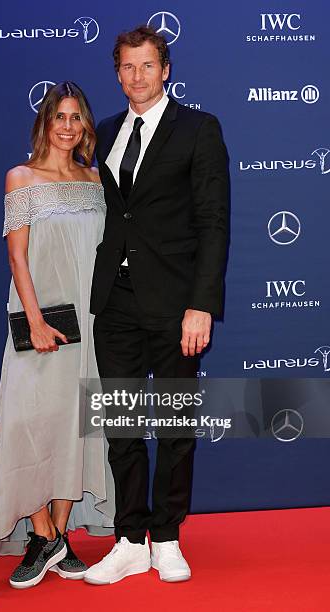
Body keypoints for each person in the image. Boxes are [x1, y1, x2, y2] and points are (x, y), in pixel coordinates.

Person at [84, 26, 229, 585]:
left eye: (147, 66)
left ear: (165, 69)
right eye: (127, 67)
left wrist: (201, 305)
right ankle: (128, 539)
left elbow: (213, 223)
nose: (136, 77)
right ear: (117, 72)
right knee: (120, 424)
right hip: (115, 303)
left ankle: (166, 536)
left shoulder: (198, 128)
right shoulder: (106, 131)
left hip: (175, 306)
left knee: (172, 425)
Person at [0, 82, 114, 589]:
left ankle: (55, 536)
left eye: (76, 117)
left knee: (73, 426)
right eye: (59, 116)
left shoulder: (97, 180)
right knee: (27, 422)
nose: (68, 126)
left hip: (92, 324)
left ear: (84, 126)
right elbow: (17, 257)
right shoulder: (22, 178)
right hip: (41, 322)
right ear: (44, 122)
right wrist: (34, 321)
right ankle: (40, 531)